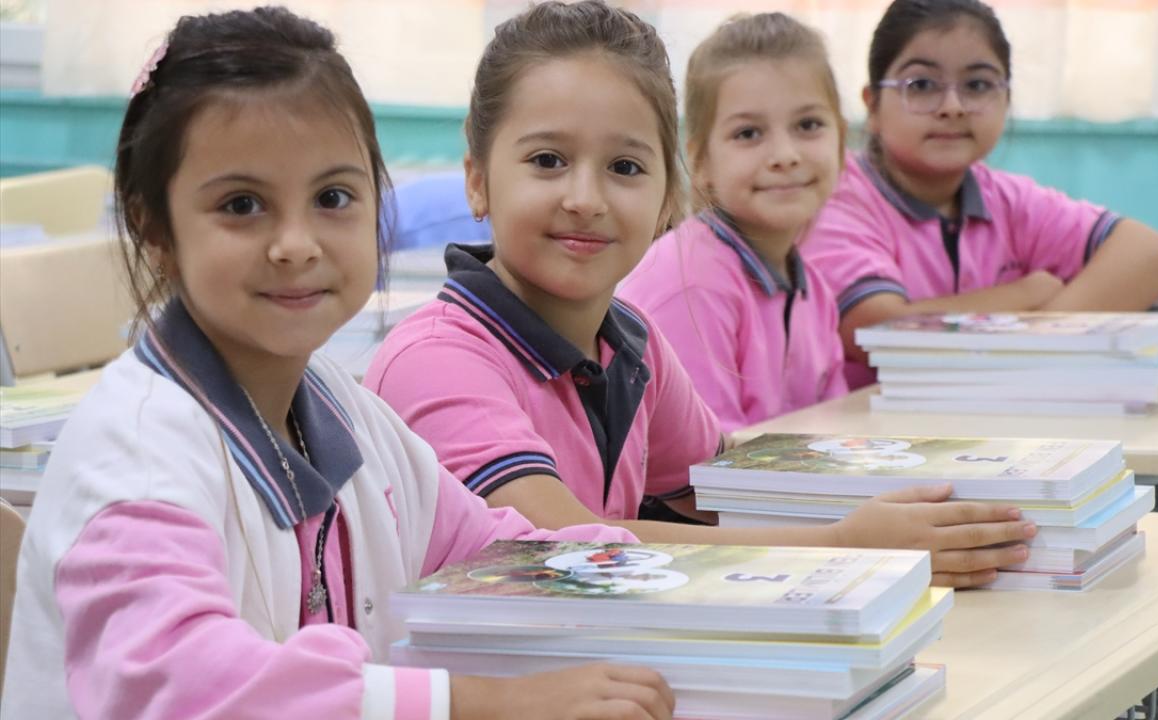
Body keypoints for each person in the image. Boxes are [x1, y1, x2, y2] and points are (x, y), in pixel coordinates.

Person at [1, 8, 678, 719]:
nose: (297, 243)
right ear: (154, 226)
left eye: (333, 198)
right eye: (242, 204)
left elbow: (493, 550)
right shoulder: (136, 456)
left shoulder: (337, 409)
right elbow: (188, 683)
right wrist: (487, 703)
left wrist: (697, 580)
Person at [365, 1, 1035, 588]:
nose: (585, 198)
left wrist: (951, 496)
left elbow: (724, 491)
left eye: (625, 166)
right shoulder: (438, 359)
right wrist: (841, 545)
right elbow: (555, 547)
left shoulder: (631, 342)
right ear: (477, 180)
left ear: (669, 196)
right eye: (548, 160)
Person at [805, 0, 1158, 388]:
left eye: (977, 86)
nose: (953, 107)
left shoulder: (1004, 198)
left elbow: (1152, 255)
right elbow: (875, 327)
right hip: (871, 422)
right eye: (921, 85)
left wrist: (1038, 339)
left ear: (1006, 100)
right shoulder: (837, 196)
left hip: (991, 409)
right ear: (872, 106)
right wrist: (1025, 294)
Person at [619, 12, 849, 433]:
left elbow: (835, 435)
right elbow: (706, 461)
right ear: (701, 161)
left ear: (842, 141)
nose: (785, 155)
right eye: (748, 133)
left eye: (808, 125)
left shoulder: (812, 287)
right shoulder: (692, 286)